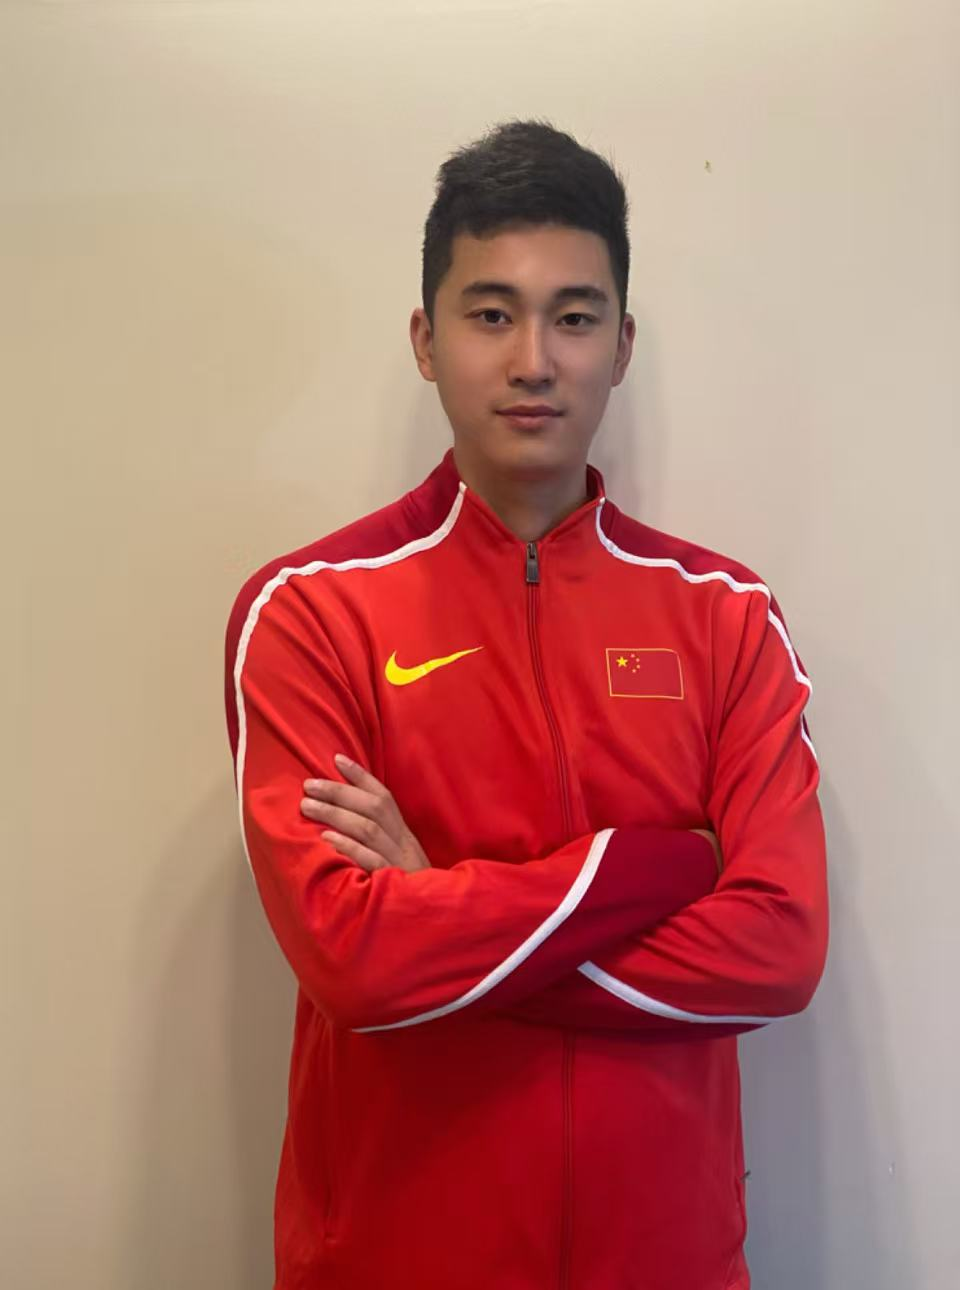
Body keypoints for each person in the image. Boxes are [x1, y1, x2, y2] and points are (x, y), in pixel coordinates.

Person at [223, 117, 828, 1290]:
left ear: (622, 343)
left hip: (667, 1261)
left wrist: (439, 908)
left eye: (576, 317)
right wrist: (669, 864)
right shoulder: (308, 612)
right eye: (491, 314)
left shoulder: (726, 617)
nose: (534, 360)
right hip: (392, 1259)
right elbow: (357, 964)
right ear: (426, 339)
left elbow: (780, 949)